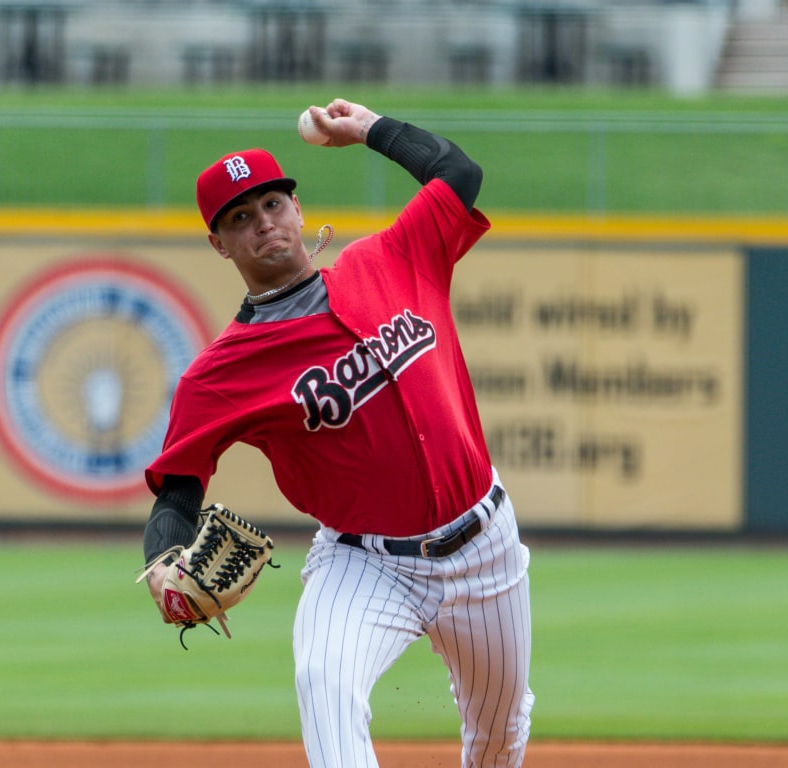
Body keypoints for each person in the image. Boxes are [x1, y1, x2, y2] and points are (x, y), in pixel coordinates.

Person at [140, 98, 534, 767]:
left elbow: (460, 174)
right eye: (239, 218)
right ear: (219, 244)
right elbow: (179, 488)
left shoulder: (392, 256)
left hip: (485, 547)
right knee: (324, 681)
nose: (261, 223)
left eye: (270, 204)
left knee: (499, 732)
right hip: (365, 562)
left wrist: (370, 129)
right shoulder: (220, 372)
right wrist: (161, 561)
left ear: (297, 209)